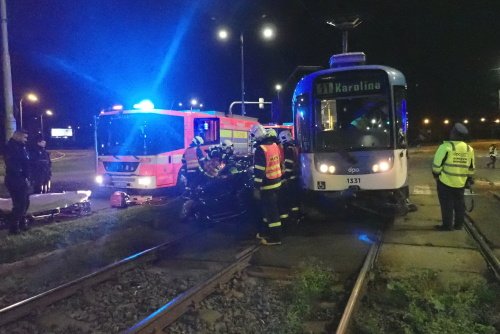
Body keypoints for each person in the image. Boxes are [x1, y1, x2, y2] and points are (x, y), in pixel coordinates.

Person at [432, 123, 475, 231]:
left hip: (445, 182)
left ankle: (447, 226)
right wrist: (468, 179)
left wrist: (436, 175)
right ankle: (458, 225)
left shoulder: (445, 147)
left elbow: (436, 166)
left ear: (454, 134)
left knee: (447, 205)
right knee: (459, 204)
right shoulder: (469, 149)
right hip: (461, 183)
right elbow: (471, 167)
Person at [251, 124, 283, 246]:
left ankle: (275, 238)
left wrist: (256, 188)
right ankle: (266, 232)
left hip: (267, 185)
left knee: (271, 213)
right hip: (276, 182)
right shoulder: (274, 145)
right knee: (269, 211)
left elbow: (259, 171)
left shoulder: (261, 149)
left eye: (253, 136)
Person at [4, 130, 31, 234]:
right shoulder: (11, 147)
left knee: (25, 203)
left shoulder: (20, 146)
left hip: (21, 179)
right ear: (18, 136)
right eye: (24, 137)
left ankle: (22, 224)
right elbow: (14, 165)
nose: (26, 140)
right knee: (19, 204)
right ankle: (14, 228)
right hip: (15, 180)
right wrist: (23, 177)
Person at [278, 129, 302, 224]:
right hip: (295, 177)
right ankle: (296, 217)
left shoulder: (288, 148)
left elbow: (288, 164)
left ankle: (290, 220)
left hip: (290, 178)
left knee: (289, 199)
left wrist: (285, 177)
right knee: (294, 200)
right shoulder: (294, 147)